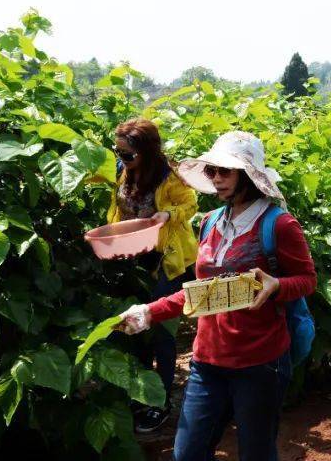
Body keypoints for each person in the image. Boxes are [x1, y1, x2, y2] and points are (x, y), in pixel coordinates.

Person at [117, 131, 316, 461]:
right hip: (207, 362)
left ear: (248, 175)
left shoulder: (278, 225)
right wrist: (149, 312)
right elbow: (202, 295)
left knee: (256, 452)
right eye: (212, 171)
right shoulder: (210, 223)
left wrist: (277, 286)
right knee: (188, 453)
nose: (217, 179)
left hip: (260, 363)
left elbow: (307, 280)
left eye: (226, 171)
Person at [108, 118, 198, 433]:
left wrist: (168, 215)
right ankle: (145, 391)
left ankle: (161, 401)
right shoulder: (125, 170)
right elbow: (119, 208)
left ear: (147, 152)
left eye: (128, 154)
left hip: (169, 259)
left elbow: (191, 204)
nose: (122, 159)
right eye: (118, 152)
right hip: (135, 256)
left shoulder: (169, 177)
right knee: (135, 325)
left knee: (162, 329)